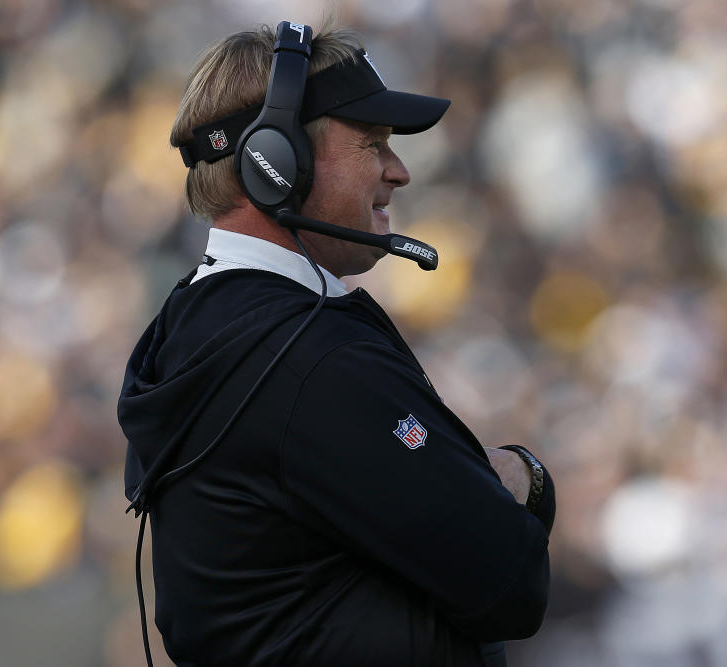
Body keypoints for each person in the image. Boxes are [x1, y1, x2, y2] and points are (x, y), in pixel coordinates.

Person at [118, 20, 555, 667]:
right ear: (276, 162)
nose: (398, 171)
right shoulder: (306, 358)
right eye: (373, 144)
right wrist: (525, 474)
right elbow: (512, 580)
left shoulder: (194, 323)